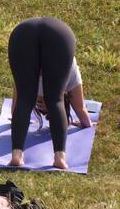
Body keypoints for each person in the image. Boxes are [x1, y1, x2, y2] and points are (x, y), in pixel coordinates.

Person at [7, 17, 92, 170]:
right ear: (68, 98)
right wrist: (87, 123)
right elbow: (80, 109)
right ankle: (59, 157)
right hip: (58, 34)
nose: (41, 103)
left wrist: (15, 119)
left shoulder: (29, 89)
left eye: (39, 106)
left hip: (23, 32)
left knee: (29, 99)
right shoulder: (69, 79)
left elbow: (18, 106)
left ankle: (17, 155)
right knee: (55, 100)